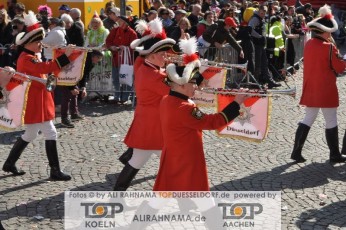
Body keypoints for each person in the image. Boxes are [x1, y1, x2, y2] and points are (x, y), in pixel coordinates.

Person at [153, 37, 246, 191]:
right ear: (181, 86)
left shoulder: (166, 100)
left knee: (166, 195)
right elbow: (212, 122)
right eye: (192, 83)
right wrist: (236, 104)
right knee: (199, 198)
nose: (196, 87)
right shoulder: (184, 108)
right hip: (187, 159)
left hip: (173, 156)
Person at [2, 11, 74, 180]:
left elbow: (46, 70)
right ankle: (55, 171)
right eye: (38, 42)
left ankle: (9, 163)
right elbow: (44, 69)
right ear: (30, 43)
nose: (41, 44)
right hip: (35, 100)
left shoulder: (31, 55)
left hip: (38, 98)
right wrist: (65, 57)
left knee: (31, 134)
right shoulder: (26, 58)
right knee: (51, 133)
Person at [113, 18, 176, 191]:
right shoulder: (154, 76)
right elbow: (176, 92)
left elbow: (159, 68)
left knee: (136, 161)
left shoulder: (143, 65)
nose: (166, 56)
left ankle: (116, 197)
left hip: (147, 123)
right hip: (155, 125)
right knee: (174, 163)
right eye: (162, 54)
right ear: (152, 54)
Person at [290, 5, 346, 163]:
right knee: (331, 120)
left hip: (311, 87)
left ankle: (296, 151)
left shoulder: (308, 44)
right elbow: (340, 67)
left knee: (308, 118)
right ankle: (334, 154)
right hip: (326, 88)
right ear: (323, 31)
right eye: (328, 31)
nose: (330, 33)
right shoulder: (329, 47)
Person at [105, 13, 137, 104]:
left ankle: (125, 97)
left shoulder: (132, 33)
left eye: (120, 21)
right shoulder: (114, 30)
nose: (118, 22)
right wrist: (112, 47)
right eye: (118, 21)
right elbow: (108, 41)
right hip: (116, 59)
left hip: (127, 61)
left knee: (126, 78)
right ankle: (116, 96)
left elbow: (134, 46)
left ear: (125, 23)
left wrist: (125, 48)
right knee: (116, 78)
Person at [248, 5, 281, 88]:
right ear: (259, 11)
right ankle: (255, 83)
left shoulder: (260, 18)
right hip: (256, 44)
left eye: (264, 13)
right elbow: (250, 29)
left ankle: (269, 81)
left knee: (264, 63)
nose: (263, 15)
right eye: (262, 13)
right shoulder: (255, 19)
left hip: (261, 45)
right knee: (258, 65)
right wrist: (259, 36)